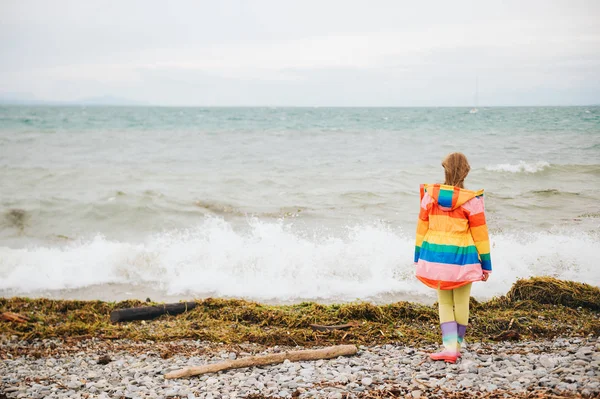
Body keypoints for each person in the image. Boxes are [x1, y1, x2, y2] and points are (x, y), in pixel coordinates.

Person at [414, 152, 492, 363]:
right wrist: (486, 264)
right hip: (463, 259)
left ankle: (449, 348)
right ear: (466, 171)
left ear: (445, 169)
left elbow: (421, 229)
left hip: (436, 258)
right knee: (462, 302)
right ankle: (455, 347)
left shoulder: (430, 196)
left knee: (444, 303)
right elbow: (480, 235)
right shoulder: (472, 201)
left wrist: (418, 257)